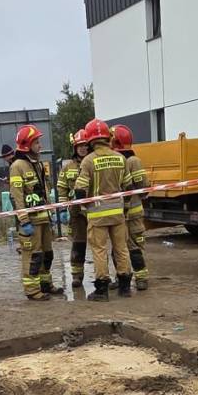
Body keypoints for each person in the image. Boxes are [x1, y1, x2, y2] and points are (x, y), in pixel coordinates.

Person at [73, 120, 133, 301]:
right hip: (118, 213)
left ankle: (102, 290)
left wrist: (84, 206)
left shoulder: (88, 160)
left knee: (99, 251)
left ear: (90, 139)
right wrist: (123, 206)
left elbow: (80, 190)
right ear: (108, 137)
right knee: (121, 249)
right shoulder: (120, 158)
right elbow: (129, 187)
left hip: (97, 214)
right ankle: (125, 287)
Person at [8, 124, 63, 300]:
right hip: (30, 222)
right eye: (37, 142)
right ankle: (32, 290)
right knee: (33, 256)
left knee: (47, 254)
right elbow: (17, 196)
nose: (40, 145)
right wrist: (24, 220)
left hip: (43, 218)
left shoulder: (37, 164)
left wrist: (50, 212)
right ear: (27, 145)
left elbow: (44, 191)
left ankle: (46, 284)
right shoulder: (17, 166)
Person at [110, 125, 149, 292]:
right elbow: (144, 188)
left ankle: (141, 278)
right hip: (122, 213)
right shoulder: (124, 160)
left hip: (130, 214)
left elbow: (142, 187)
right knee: (119, 248)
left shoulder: (131, 161)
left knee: (133, 247)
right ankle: (123, 277)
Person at [57, 130, 88, 288]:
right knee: (78, 244)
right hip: (77, 213)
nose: (82, 148)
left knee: (99, 246)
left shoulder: (93, 162)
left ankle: (102, 276)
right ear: (75, 148)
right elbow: (62, 188)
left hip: (94, 211)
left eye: (85, 145)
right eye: (79, 145)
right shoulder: (67, 168)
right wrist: (63, 210)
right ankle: (77, 275)